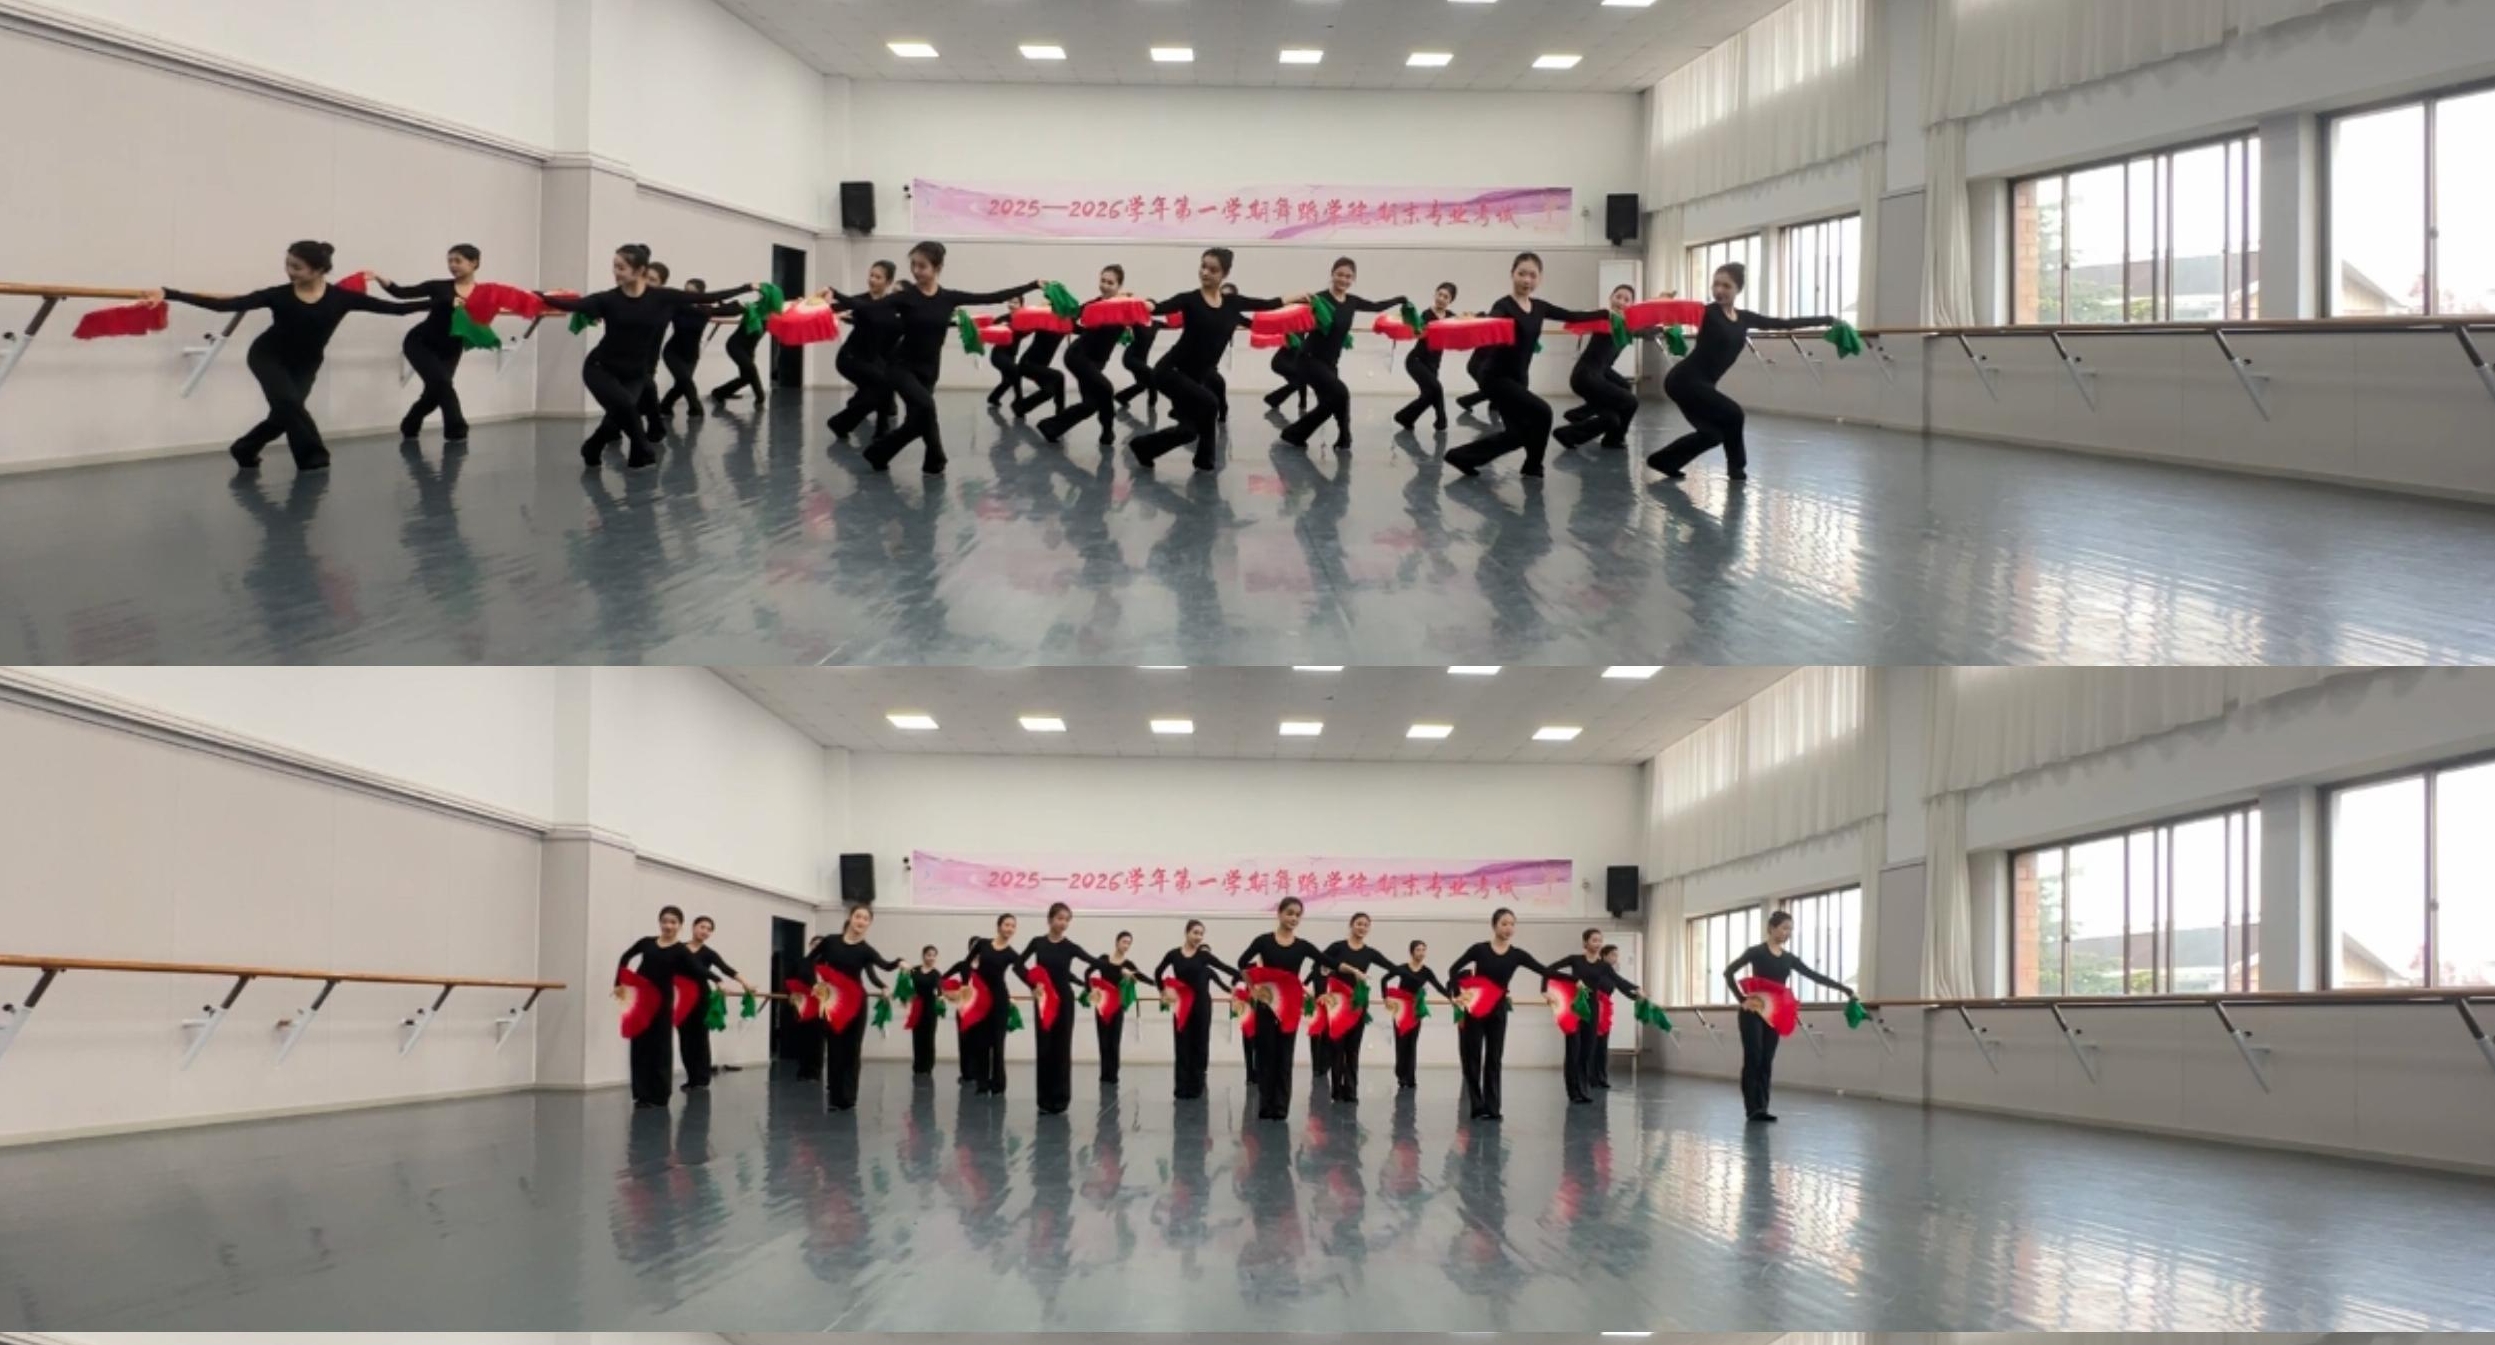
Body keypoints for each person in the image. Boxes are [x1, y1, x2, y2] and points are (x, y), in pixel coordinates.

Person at [146, 240, 429, 471]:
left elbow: (396, 309)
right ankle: (314, 458)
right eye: (288, 264)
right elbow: (224, 305)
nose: (289, 271)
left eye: (297, 267)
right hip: (268, 357)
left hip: (306, 364)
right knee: (290, 405)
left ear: (318, 270)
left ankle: (244, 448)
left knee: (284, 413)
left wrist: (439, 303)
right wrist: (169, 293)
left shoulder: (341, 298)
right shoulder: (278, 295)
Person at [534, 244, 750, 469]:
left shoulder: (663, 298)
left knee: (619, 414)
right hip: (601, 368)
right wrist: (538, 297)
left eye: (621, 268)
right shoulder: (608, 299)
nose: (615, 272)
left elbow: (708, 298)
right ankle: (642, 449)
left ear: (639, 271)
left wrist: (746, 288)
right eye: (614, 266)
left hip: (635, 372)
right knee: (626, 406)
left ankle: (592, 447)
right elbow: (573, 305)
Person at [835, 241, 1039, 474]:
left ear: (937, 267)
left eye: (922, 266)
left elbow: (993, 297)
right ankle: (937, 458)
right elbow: (866, 305)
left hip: (929, 370)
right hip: (901, 367)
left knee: (917, 420)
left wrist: (1033, 285)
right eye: (913, 265)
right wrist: (833, 296)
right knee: (927, 407)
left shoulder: (948, 298)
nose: (916, 271)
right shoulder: (906, 297)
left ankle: (880, 454)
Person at [1649, 261, 1833, 481]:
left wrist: (1828, 320)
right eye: (1716, 284)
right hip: (1684, 380)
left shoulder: (1745, 318)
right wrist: (1662, 303)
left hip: (1703, 384)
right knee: (1734, 413)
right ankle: (1736, 469)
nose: (1719, 290)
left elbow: (1783, 323)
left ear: (1738, 289)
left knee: (1713, 434)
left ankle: (1664, 461)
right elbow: (1672, 314)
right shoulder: (1707, 312)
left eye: (1726, 286)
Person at [1130, 249, 1301, 473]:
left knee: (1189, 430)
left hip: (1194, 377)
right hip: (1170, 371)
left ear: (1224, 274)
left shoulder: (1232, 304)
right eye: (1203, 266)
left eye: (1213, 269)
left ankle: (1143, 447)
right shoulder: (1189, 299)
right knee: (1211, 402)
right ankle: (1205, 460)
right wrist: (1145, 304)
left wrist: (1295, 298)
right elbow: (1159, 307)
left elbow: (1267, 304)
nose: (1205, 273)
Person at [1444, 252, 1607, 480]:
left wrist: (1607, 313)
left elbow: (1572, 315)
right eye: (1521, 274)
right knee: (1544, 412)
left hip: (1519, 378)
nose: (1526, 280)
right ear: (1512, 274)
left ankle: (1461, 457)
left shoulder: (1540, 307)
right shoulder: (1503, 305)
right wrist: (1474, 320)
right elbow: (1492, 320)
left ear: (1539, 278)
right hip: (1496, 378)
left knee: (1517, 434)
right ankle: (1533, 466)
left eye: (1532, 275)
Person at [1724, 908, 1856, 1122]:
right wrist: (1742, 999)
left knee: (1766, 1059)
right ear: (1771, 928)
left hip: (1775, 1014)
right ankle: (1752, 1109)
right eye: (1784, 928)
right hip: (1753, 1012)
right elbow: (1728, 972)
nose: (1787, 933)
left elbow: (1814, 976)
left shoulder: (1789, 959)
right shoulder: (1756, 952)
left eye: (1790, 929)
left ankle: (1762, 1108)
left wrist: (1844, 989)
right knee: (1754, 1057)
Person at [1279, 258, 1403, 453]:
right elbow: (1290, 309)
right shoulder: (1318, 299)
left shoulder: (1352, 301)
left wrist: (1399, 300)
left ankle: (1297, 435)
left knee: (1333, 402)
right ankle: (1345, 436)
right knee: (1341, 392)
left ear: (1353, 279)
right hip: (1309, 359)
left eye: (1348, 276)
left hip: (1330, 363)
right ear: (1332, 274)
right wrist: (1294, 299)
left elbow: (1376, 306)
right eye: (1340, 274)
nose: (1344, 279)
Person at [1236, 896, 1342, 1121]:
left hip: (1290, 1008)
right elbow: (1242, 962)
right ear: (1280, 913)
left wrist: (1353, 969)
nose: (1294, 918)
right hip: (1267, 1006)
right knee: (1266, 1056)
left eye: (1298, 915)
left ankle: (1281, 1108)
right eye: (1290, 913)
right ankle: (1266, 1107)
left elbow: (1329, 961)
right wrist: (1253, 987)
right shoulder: (1263, 941)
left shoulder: (1303, 946)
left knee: (1285, 1057)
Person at [1446, 907, 1552, 1121]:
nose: (1508, 928)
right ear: (1494, 925)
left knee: (1494, 1058)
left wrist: (1572, 980)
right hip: (1476, 1008)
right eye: (1504, 923)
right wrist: (1458, 995)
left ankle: (1493, 1108)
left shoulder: (1517, 955)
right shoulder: (1479, 949)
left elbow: (1545, 971)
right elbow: (1453, 969)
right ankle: (1477, 1106)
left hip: (1498, 1009)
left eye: (1512, 924)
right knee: (1473, 1057)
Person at [381, 243, 484, 442]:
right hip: (420, 342)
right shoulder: (438, 286)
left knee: (435, 392)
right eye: (450, 261)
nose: (452, 265)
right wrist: (382, 280)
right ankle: (457, 430)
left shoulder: (484, 292)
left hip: (451, 347)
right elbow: (402, 293)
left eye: (458, 261)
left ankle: (410, 424)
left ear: (474, 263)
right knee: (443, 384)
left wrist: (544, 299)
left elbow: (514, 298)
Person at [1016, 902, 1111, 1116]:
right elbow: (1018, 966)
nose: (1063, 923)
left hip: (1065, 1002)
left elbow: (1095, 962)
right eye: (1060, 918)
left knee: (1062, 1048)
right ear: (1050, 919)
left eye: (1067, 920)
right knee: (1044, 1048)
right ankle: (1044, 1101)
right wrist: (1032, 985)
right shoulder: (1038, 943)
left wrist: (1116, 968)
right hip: (1043, 1001)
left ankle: (1060, 1100)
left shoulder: (1070, 947)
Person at [806, 904, 901, 1112]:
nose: (861, 921)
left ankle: (848, 1098)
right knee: (834, 1048)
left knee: (852, 1050)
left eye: (866, 919)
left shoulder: (866, 950)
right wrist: (816, 983)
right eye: (858, 916)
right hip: (834, 1002)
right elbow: (809, 962)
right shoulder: (830, 942)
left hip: (856, 1003)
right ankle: (834, 1097)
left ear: (869, 924)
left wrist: (899, 963)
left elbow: (885, 965)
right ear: (850, 918)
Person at [612, 904, 701, 1109]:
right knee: (639, 1045)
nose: (668, 925)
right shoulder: (647, 942)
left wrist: (720, 980)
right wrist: (618, 983)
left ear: (680, 925)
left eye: (673, 922)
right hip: (640, 1000)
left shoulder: (681, 950)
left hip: (663, 1002)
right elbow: (625, 957)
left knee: (660, 1046)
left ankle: (660, 1095)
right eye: (665, 921)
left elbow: (698, 970)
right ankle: (642, 1095)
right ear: (660, 922)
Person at [1541, 926, 1641, 1105]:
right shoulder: (1575, 960)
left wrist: (1637, 990)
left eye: (1600, 940)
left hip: (1592, 1009)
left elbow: (1619, 982)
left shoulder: (1604, 966)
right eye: (1594, 940)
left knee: (1587, 1050)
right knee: (1573, 1050)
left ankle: (1583, 1089)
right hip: (1575, 1008)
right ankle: (1573, 1091)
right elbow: (1549, 970)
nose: (1597, 943)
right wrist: (1547, 989)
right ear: (1585, 942)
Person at [1038, 265, 1132, 449]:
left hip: (1098, 361)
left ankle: (1050, 427)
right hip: (1078, 356)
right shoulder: (1092, 305)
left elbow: (1144, 313)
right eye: (1102, 281)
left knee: (1091, 404)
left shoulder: (1125, 307)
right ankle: (1108, 431)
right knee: (1106, 388)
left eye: (1110, 283)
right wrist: (1057, 304)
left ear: (1119, 286)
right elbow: (1070, 320)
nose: (1105, 285)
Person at [1311, 911, 1398, 1104]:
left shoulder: (1370, 952)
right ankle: (1336, 1090)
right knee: (1337, 1048)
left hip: (1358, 1003)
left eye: (1366, 925)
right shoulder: (1337, 947)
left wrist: (1408, 973)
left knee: (1353, 1049)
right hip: (1337, 1004)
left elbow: (1391, 966)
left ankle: (1350, 1091)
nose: (1362, 928)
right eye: (1359, 923)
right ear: (1351, 925)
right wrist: (1321, 992)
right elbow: (1318, 966)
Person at [1552, 284, 1645, 451]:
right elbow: (1580, 316)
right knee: (1630, 401)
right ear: (1611, 299)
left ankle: (1569, 432)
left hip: (1600, 373)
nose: (1621, 302)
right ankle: (1614, 438)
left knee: (1613, 416)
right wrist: (1602, 313)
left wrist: (1665, 328)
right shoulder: (1604, 318)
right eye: (1618, 297)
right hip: (1585, 376)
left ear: (1631, 305)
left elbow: (1645, 330)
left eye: (1626, 300)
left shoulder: (1627, 326)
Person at [1154, 919, 1238, 1100]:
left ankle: (1196, 1087)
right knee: (1182, 1044)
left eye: (1201, 934)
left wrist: (1245, 977)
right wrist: (1162, 991)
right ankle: (1181, 1087)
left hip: (1201, 1005)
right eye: (1195, 933)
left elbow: (1225, 968)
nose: (1198, 937)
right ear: (1187, 933)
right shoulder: (1173, 954)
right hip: (1182, 1004)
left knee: (1199, 1044)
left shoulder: (1204, 956)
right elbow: (1158, 972)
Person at [945, 913, 1025, 1095]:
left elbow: (1023, 972)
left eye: (1013, 926)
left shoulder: (1011, 953)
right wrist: (963, 987)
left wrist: (1036, 985)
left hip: (999, 1000)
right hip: (980, 999)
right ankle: (982, 1083)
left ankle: (998, 1084)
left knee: (997, 1042)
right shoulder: (982, 944)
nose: (1010, 928)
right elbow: (966, 964)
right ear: (998, 926)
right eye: (1007, 924)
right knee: (981, 1041)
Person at [826, 260, 902, 439]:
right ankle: (880, 428)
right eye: (871, 275)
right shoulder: (860, 301)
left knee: (879, 390)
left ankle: (841, 424)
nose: (872, 280)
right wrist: (809, 304)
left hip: (872, 359)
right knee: (883, 384)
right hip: (850, 358)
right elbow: (836, 306)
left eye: (878, 277)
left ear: (888, 282)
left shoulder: (892, 304)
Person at [679, 915, 756, 1091]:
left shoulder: (709, 953)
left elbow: (726, 969)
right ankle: (691, 1078)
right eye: (702, 927)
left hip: (702, 997)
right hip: (682, 998)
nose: (705, 931)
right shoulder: (680, 949)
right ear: (693, 927)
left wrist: (745, 983)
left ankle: (702, 1079)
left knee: (700, 1038)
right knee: (685, 1039)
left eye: (709, 929)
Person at [1380, 940, 1450, 1091]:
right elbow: (1384, 979)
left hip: (1415, 1010)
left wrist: (1452, 998)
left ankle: (1410, 1078)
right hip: (1400, 1009)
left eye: (1424, 950)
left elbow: (1438, 987)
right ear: (1412, 951)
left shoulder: (1427, 971)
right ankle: (1401, 1075)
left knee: (1412, 1044)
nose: (1422, 953)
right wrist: (1385, 998)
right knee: (1401, 1043)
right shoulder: (1402, 968)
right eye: (1418, 950)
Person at [1393, 283, 1459, 434]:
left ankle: (1404, 417)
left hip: (1434, 363)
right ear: (1435, 294)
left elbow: (1462, 326)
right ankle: (1441, 420)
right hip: (1416, 361)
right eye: (1439, 294)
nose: (1441, 299)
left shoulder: (1451, 317)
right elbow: (1417, 333)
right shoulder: (1426, 314)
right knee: (1437, 388)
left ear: (1451, 300)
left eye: (1446, 297)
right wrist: (1421, 329)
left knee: (1429, 395)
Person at [1091, 928, 1145, 1085]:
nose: (1126, 945)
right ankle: (1104, 1074)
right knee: (1103, 1040)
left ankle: (1113, 1074)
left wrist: (1158, 984)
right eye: (1124, 942)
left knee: (1114, 1040)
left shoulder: (1128, 964)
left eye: (1129, 943)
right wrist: (1092, 988)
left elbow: (1140, 976)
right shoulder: (1103, 959)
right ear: (1117, 942)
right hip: (1102, 1004)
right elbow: (1088, 972)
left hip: (1117, 1005)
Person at [707, 302, 771, 411]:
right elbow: (736, 308)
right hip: (735, 346)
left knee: (746, 377)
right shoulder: (753, 310)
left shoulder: (773, 316)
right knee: (751, 370)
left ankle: (719, 393)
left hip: (749, 350)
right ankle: (760, 398)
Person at [1593, 943, 1630, 1089]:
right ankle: (1590, 1077)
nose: (1616, 958)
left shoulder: (1611, 973)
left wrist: (1637, 996)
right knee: (1591, 1045)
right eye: (1613, 955)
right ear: (1604, 956)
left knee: (1602, 1046)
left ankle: (1601, 1077)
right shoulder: (1596, 969)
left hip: (1605, 1010)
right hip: (1593, 1008)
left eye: (1617, 955)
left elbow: (1622, 987)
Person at [907, 944, 946, 1076]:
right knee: (917, 1036)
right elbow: (906, 984)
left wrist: (941, 999)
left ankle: (928, 1066)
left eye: (934, 955)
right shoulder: (914, 971)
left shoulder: (936, 974)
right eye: (929, 955)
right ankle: (917, 1065)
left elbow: (940, 991)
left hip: (930, 1007)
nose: (931, 958)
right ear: (923, 956)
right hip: (917, 1005)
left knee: (929, 1037)